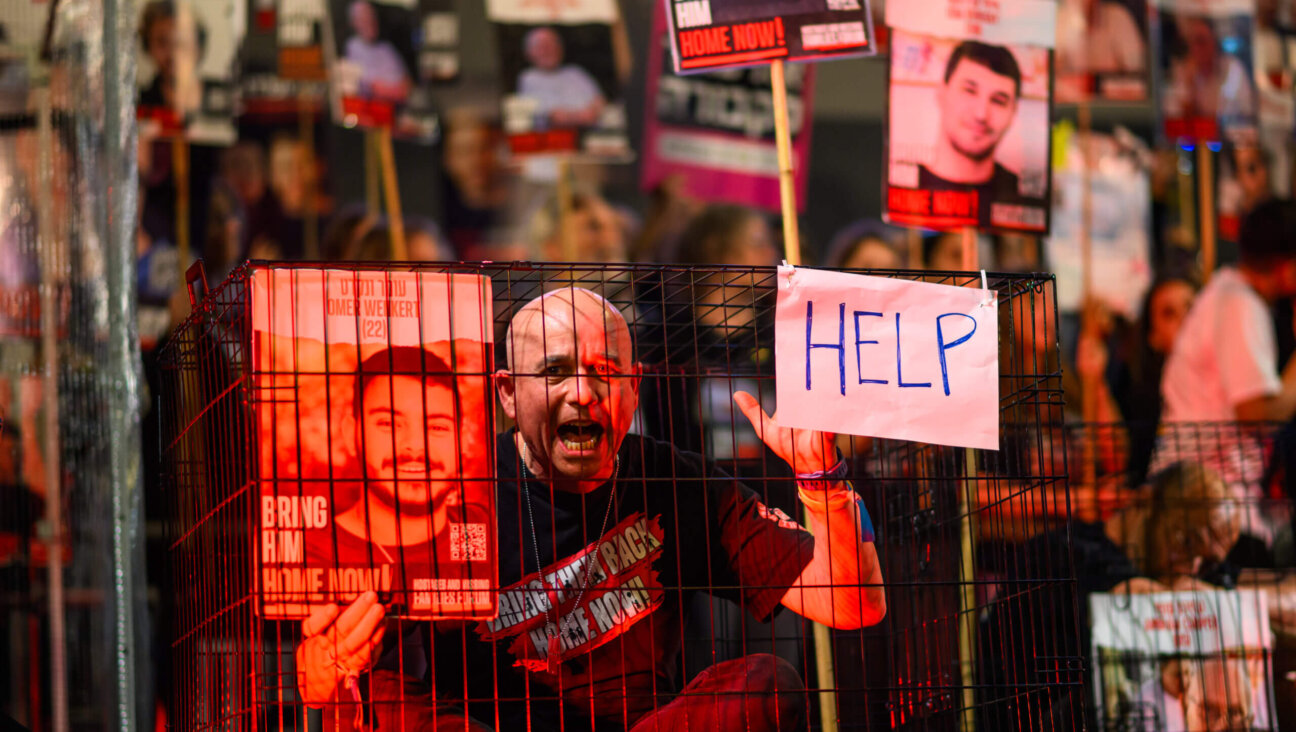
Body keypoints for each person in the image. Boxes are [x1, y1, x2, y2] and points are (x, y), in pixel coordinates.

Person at [295, 287, 886, 730]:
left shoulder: (671, 477)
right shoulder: (443, 492)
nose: (583, 391)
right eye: (555, 371)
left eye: (606, 372)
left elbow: (856, 603)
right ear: (505, 393)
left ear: (635, 388)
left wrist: (823, 483)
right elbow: (333, 683)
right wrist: (328, 668)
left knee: (765, 685)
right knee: (383, 702)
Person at [303, 346, 492, 609]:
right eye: (389, 424)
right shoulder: (311, 553)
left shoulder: (479, 528)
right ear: (351, 433)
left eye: (437, 426)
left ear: (461, 439)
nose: (415, 447)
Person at [1157, 199, 1296, 545]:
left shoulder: (1230, 295)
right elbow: (1256, 411)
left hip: (1204, 502)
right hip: (1207, 512)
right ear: (1285, 266)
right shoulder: (1239, 305)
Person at [918, 41, 1032, 222]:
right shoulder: (907, 184)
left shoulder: (1024, 197)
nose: (981, 114)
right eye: (970, 91)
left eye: (998, 101)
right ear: (941, 93)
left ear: (1013, 113)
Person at [1163, 15, 1256, 124]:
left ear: (1214, 42)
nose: (1196, 48)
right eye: (1191, 42)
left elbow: (1242, 113)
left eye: (1201, 41)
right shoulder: (1182, 72)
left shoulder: (1232, 68)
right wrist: (1189, 86)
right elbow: (1173, 119)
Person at [517, 27, 605, 128]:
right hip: (555, 140)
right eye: (543, 46)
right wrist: (579, 116)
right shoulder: (528, 78)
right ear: (529, 53)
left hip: (590, 137)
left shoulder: (576, 73)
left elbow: (599, 102)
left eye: (553, 44)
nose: (549, 50)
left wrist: (589, 113)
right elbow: (553, 116)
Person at [1055, 0, 1146, 79]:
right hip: (1073, 96)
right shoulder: (1059, 21)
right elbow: (1052, 74)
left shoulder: (1119, 17)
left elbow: (1137, 72)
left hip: (1113, 96)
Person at [344, 0, 411, 104]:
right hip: (370, 112)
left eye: (372, 15)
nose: (370, 20)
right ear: (354, 23)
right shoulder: (352, 47)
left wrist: (388, 90)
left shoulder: (387, 49)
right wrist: (390, 90)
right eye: (364, 17)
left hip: (396, 111)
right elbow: (368, 88)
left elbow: (407, 86)